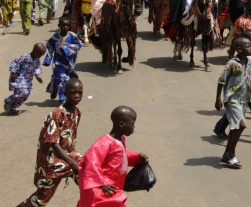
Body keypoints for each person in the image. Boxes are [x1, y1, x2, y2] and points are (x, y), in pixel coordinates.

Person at [17, 79, 83, 207]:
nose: (76, 95)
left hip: (69, 155)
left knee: (89, 180)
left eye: (80, 93)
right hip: (52, 161)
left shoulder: (77, 112)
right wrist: (71, 163)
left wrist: (74, 160)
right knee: (41, 199)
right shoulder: (57, 114)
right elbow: (53, 143)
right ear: (64, 92)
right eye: (72, 92)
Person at [77, 106, 148, 206]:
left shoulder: (121, 139)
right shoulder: (104, 143)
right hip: (102, 191)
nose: (134, 127)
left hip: (113, 187)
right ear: (122, 124)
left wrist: (137, 157)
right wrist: (101, 183)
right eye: (132, 123)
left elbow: (120, 156)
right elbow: (91, 162)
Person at [214, 29, 251, 145]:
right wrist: (218, 98)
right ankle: (228, 142)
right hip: (236, 91)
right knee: (237, 111)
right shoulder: (237, 61)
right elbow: (221, 80)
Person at [215, 37, 251, 168]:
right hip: (232, 99)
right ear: (239, 49)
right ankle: (231, 154)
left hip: (243, 99)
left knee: (235, 127)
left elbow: (249, 81)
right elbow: (221, 81)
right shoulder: (231, 63)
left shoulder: (249, 62)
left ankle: (227, 153)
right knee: (241, 125)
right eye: (248, 46)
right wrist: (218, 98)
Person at [45, 17, 83, 103]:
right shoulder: (55, 37)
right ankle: (62, 97)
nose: (65, 27)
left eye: (67, 25)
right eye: (63, 25)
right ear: (59, 26)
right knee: (62, 79)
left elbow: (79, 45)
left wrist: (66, 49)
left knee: (72, 79)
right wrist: (48, 59)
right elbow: (49, 46)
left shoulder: (72, 36)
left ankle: (54, 90)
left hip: (71, 63)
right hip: (58, 63)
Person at [3, 43, 45, 115]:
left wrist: (37, 76)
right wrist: (13, 73)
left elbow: (37, 67)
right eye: (39, 54)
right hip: (19, 77)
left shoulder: (36, 60)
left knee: (26, 95)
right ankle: (8, 100)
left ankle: (12, 107)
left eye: (41, 55)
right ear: (34, 50)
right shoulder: (25, 57)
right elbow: (15, 63)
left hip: (28, 79)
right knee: (22, 92)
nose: (40, 56)